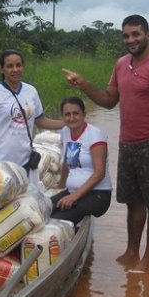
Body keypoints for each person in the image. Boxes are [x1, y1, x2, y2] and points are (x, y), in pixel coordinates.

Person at [62, 14, 149, 272]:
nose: (131, 39)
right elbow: (108, 101)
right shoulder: (120, 64)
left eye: (136, 34)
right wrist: (83, 84)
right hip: (128, 143)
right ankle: (131, 251)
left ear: (148, 35)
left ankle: (148, 258)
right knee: (133, 202)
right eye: (126, 35)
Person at [0, 49, 63, 174]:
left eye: (18, 65)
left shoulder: (31, 91)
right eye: (10, 66)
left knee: (27, 193)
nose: (15, 69)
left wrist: (67, 123)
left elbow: (41, 121)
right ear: (1, 69)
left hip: (25, 161)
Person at [50, 96, 112, 225]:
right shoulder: (65, 132)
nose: (72, 118)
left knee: (57, 220)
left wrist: (74, 196)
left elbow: (99, 173)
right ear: (62, 117)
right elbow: (67, 164)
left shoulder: (95, 135)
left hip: (97, 194)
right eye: (67, 114)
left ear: (84, 114)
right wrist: (60, 187)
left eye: (76, 113)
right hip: (72, 191)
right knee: (43, 210)